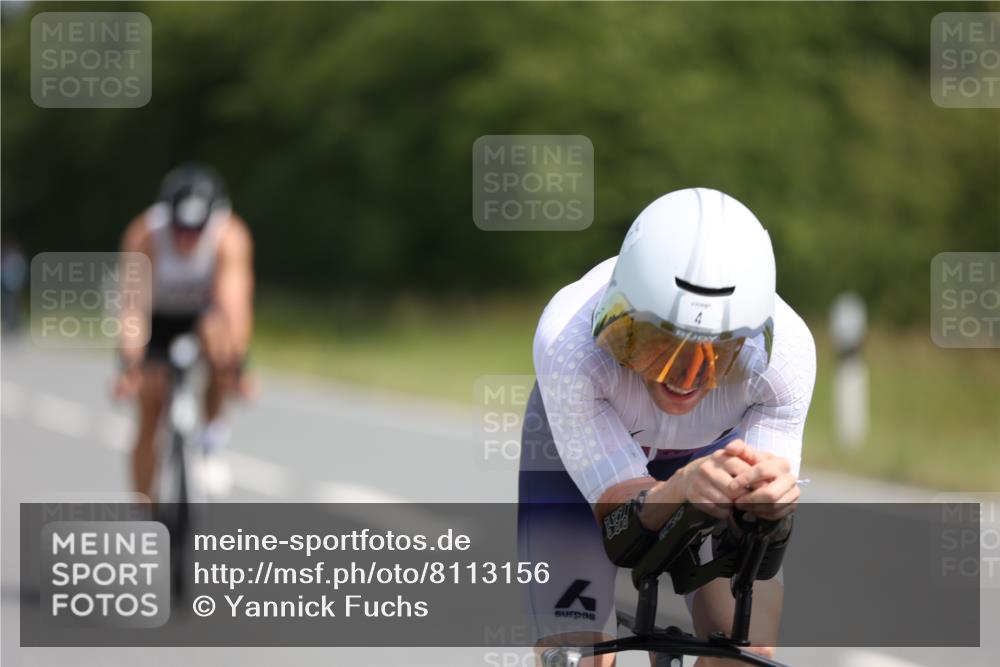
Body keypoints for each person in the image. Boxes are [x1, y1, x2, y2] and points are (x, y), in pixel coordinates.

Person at [519, 187, 816, 666]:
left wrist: (770, 511)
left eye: (717, 353)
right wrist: (677, 489)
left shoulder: (787, 357)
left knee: (747, 655)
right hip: (579, 475)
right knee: (573, 656)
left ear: (750, 340)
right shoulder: (569, 346)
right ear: (621, 315)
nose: (686, 378)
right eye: (659, 341)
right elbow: (621, 531)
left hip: (712, 461)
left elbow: (753, 552)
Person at [112, 164, 255, 501]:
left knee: (219, 338)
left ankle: (211, 438)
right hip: (156, 317)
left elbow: (234, 306)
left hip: (203, 317)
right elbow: (133, 306)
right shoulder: (145, 234)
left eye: (196, 229)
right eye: (180, 228)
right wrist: (129, 367)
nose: (187, 238)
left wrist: (238, 368)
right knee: (148, 406)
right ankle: (144, 511)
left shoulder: (229, 237)